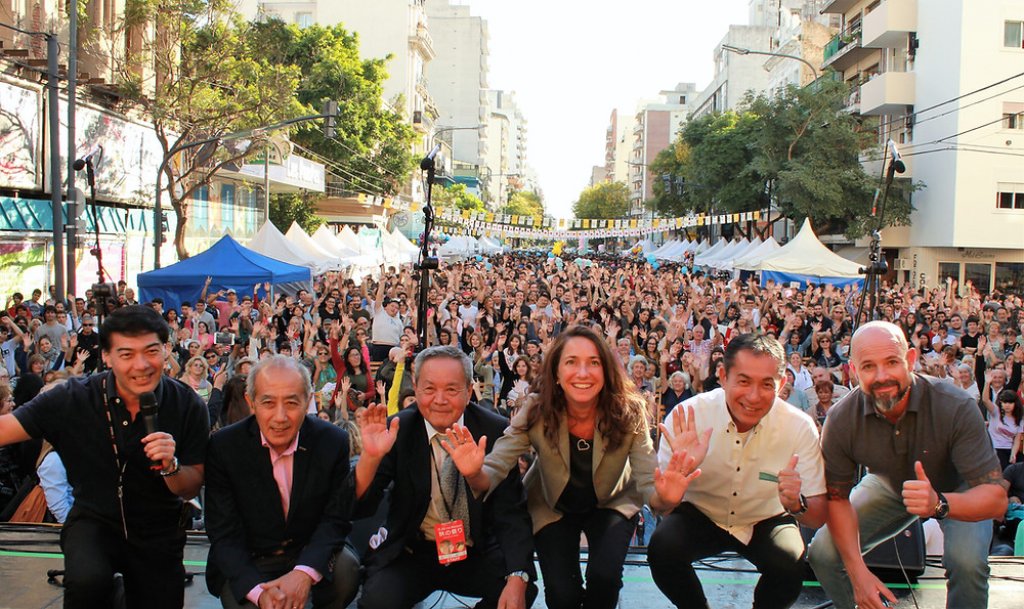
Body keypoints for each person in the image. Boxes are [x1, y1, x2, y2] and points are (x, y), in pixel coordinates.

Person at [444, 325, 699, 609]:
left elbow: (647, 479)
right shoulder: (535, 409)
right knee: (562, 594)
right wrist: (473, 473)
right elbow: (495, 468)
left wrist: (665, 497)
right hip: (553, 505)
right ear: (556, 371)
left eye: (593, 363)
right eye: (571, 362)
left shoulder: (630, 410)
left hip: (612, 503)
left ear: (606, 371)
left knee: (605, 580)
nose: (582, 373)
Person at [0, 305, 209, 609]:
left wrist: (171, 467)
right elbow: (7, 428)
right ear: (107, 356)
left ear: (166, 350)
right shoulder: (74, 398)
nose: (141, 365)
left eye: (151, 351)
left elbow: (190, 487)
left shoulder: (187, 404)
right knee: (88, 582)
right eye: (126, 355)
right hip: (93, 521)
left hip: (159, 526)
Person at [807, 321, 1008, 609]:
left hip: (961, 489)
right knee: (824, 553)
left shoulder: (956, 405)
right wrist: (857, 572)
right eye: (868, 366)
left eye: (892, 362)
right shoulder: (841, 419)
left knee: (967, 562)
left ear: (911, 360)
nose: (882, 376)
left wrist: (938, 503)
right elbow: (836, 499)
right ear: (852, 371)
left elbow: (997, 500)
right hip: (889, 484)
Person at [647, 333, 827, 609]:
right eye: (743, 381)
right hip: (702, 514)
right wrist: (669, 497)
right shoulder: (688, 416)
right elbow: (659, 505)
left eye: (767, 384)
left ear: (781, 384)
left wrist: (796, 505)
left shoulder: (800, 427)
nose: (754, 397)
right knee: (662, 548)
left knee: (790, 562)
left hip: (766, 517)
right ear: (722, 376)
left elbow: (816, 516)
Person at [351, 345, 538, 609]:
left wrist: (518, 576)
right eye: (429, 389)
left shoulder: (495, 430)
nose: (439, 399)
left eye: (451, 389)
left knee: (521, 590)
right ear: (415, 388)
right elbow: (359, 507)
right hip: (414, 552)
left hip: (477, 551)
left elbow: (511, 512)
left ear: (469, 389)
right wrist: (369, 459)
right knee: (377, 600)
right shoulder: (397, 429)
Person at [204, 356, 360, 609]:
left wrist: (304, 573)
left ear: (308, 401)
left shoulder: (332, 441)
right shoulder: (224, 447)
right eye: (268, 402)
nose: (280, 417)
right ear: (251, 402)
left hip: (306, 549)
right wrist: (258, 592)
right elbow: (223, 532)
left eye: (291, 402)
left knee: (345, 571)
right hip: (251, 557)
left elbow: (336, 517)